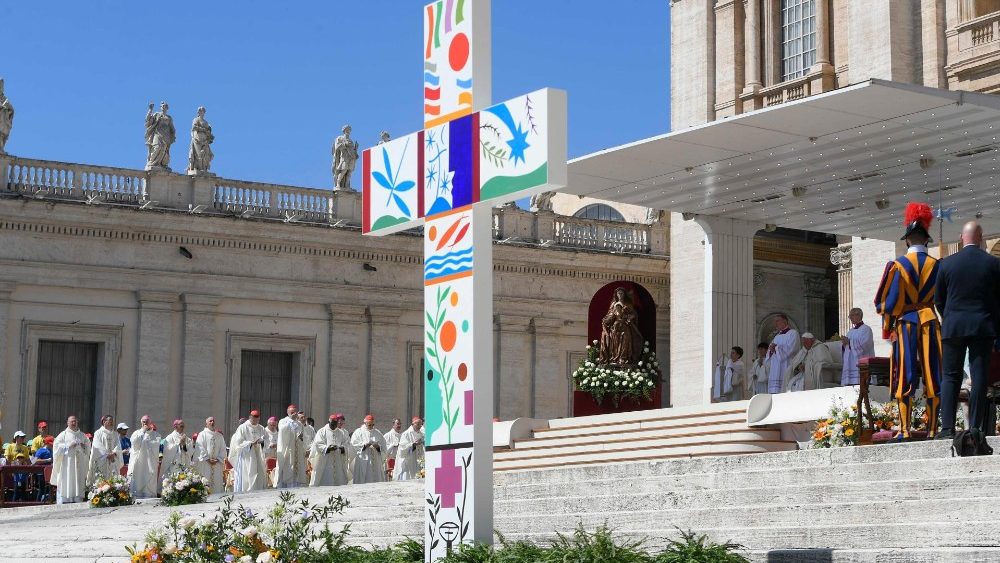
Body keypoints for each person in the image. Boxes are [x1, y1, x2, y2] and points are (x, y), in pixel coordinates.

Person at [875, 202, 942, 439]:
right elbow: (942, 299)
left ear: (906, 241)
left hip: (906, 323)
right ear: (926, 240)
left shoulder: (897, 266)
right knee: (934, 372)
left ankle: (904, 429)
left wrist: (887, 328)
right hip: (931, 321)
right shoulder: (937, 266)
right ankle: (932, 429)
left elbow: (887, 304)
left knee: (905, 372)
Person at [936, 221, 1000, 440]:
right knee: (979, 375)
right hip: (982, 325)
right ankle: (976, 427)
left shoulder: (946, 264)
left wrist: (951, 318)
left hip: (953, 326)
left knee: (950, 376)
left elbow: (939, 300)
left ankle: (947, 429)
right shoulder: (993, 263)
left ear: (961, 238)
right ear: (981, 238)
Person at [50, 416, 91, 504]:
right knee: (67, 480)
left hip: (79, 464)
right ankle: (65, 499)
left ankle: (77, 498)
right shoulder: (63, 435)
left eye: (75, 421)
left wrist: (84, 447)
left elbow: (88, 447)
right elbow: (56, 447)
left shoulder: (82, 435)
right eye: (72, 421)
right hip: (67, 464)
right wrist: (68, 446)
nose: (73, 423)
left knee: (78, 480)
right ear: (67, 423)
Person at [228, 410, 268, 492]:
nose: (255, 420)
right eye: (254, 418)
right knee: (248, 473)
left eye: (257, 419)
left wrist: (262, 442)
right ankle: (246, 491)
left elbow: (267, 440)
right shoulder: (242, 427)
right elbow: (238, 442)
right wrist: (250, 443)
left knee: (259, 472)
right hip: (247, 456)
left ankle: (259, 490)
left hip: (258, 455)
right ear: (250, 417)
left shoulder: (261, 428)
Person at [309, 414, 353, 486]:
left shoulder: (340, 432)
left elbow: (346, 444)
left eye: (335, 424)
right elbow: (318, 444)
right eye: (332, 424)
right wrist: (328, 448)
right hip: (325, 460)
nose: (334, 426)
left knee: (339, 482)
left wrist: (342, 448)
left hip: (338, 460)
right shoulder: (322, 431)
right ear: (328, 422)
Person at [127, 415, 162, 498]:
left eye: (147, 421)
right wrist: (143, 432)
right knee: (138, 477)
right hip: (139, 461)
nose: (145, 423)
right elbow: (134, 444)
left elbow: (156, 445)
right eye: (143, 421)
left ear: (150, 423)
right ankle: (136, 494)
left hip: (150, 462)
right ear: (141, 422)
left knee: (149, 477)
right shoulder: (136, 433)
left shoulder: (156, 435)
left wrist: (146, 442)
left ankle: (149, 493)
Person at [840, 308, 876, 386]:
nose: (850, 318)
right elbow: (847, 348)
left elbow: (865, 345)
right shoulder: (850, 331)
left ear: (858, 315)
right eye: (849, 316)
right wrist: (844, 344)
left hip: (862, 363)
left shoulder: (866, 329)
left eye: (851, 316)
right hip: (851, 363)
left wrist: (849, 342)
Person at [767, 315, 800, 393]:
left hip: (786, 364)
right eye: (775, 321)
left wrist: (777, 348)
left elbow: (792, 348)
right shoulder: (777, 336)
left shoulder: (793, 333)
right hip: (776, 366)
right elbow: (771, 349)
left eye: (777, 321)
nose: (775, 323)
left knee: (785, 388)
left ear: (785, 321)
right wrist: (771, 350)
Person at [275, 405, 306, 488]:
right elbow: (281, 431)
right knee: (287, 469)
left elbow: (303, 436)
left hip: (297, 451)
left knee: (297, 471)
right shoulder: (283, 421)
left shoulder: (299, 424)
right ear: (288, 413)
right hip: (287, 451)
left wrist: (301, 437)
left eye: (295, 412)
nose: (294, 414)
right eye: (292, 412)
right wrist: (290, 423)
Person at [350, 414, 387, 484]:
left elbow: (384, 446)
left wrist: (378, 447)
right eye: (369, 425)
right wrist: (364, 445)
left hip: (375, 461)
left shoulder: (377, 433)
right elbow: (353, 445)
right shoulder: (358, 432)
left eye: (373, 425)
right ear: (365, 423)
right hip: (363, 460)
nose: (371, 427)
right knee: (364, 479)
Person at [88, 414, 123, 486]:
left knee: (113, 479)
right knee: (101, 479)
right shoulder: (98, 433)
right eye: (110, 420)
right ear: (104, 421)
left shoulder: (115, 434)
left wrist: (114, 453)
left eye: (112, 421)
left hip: (113, 459)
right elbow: (97, 445)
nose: (112, 422)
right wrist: (107, 454)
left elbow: (118, 445)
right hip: (102, 460)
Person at [195, 416, 226, 495]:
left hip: (217, 464)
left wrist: (218, 459)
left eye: (213, 421)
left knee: (217, 482)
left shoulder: (219, 436)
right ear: (206, 423)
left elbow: (223, 449)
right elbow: (200, 448)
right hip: (206, 463)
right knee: (206, 480)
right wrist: (207, 459)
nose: (212, 422)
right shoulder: (202, 434)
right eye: (210, 421)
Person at [144, 101, 176, 170]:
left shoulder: (169, 118)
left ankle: (162, 164)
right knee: (157, 147)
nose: (163, 107)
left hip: (166, 135)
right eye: (162, 106)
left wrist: (173, 135)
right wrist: (150, 110)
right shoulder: (156, 114)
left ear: (167, 108)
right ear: (160, 107)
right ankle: (152, 162)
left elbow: (172, 128)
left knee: (164, 150)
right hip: (157, 134)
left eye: (165, 106)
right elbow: (148, 119)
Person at [187, 106, 214, 174]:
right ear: (198, 112)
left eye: (203, 111)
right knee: (198, 154)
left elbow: (209, 130)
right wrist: (203, 129)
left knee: (206, 154)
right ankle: (199, 168)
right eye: (201, 111)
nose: (202, 112)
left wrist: (209, 135)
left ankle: (203, 168)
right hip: (197, 138)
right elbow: (194, 127)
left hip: (205, 140)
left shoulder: (206, 122)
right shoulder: (196, 119)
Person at [332, 125, 359, 190]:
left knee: (349, 171)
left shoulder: (351, 140)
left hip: (351, 157)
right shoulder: (340, 138)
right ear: (344, 131)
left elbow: (353, 150)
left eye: (349, 130)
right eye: (347, 130)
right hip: (344, 157)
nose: (348, 131)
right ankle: (338, 184)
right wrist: (345, 144)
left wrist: (356, 148)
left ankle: (347, 186)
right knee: (344, 170)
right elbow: (337, 147)